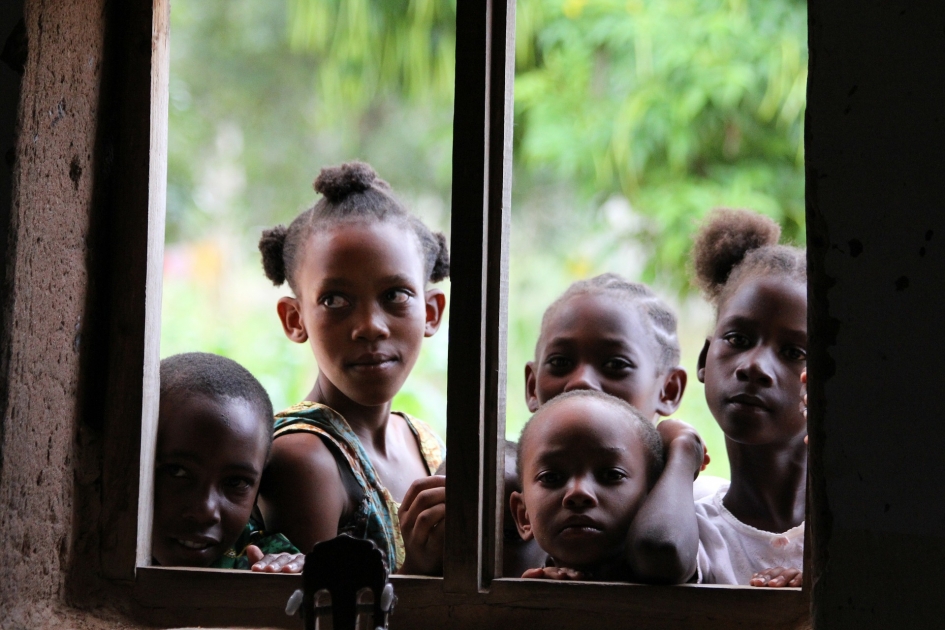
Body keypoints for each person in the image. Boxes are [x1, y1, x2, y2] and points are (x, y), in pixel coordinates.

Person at [256, 161, 448, 575]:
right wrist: (417, 568)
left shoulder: (422, 441)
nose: (370, 327)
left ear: (431, 312)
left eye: (395, 294)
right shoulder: (304, 460)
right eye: (335, 301)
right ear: (295, 319)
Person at [691, 208, 807, 586]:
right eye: (738, 340)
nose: (755, 366)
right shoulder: (689, 525)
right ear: (704, 359)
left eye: (794, 353)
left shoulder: (861, 525)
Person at [509, 389, 696, 583]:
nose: (578, 492)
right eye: (551, 478)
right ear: (523, 515)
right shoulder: (534, 589)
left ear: (653, 497)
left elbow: (662, 550)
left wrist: (684, 450)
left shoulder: (689, 548)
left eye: (611, 475)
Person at [153, 352, 303, 572]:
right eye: (177, 472)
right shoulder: (93, 546)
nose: (206, 511)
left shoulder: (258, 560)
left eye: (235, 482)